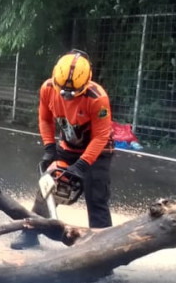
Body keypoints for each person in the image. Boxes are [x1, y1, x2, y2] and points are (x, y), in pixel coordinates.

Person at [10, 50, 115, 250]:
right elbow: (45, 119)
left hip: (98, 150)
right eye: (63, 92)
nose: (67, 97)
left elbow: (101, 135)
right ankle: (30, 233)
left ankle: (104, 249)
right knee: (47, 186)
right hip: (67, 145)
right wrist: (49, 149)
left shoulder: (97, 98)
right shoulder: (48, 88)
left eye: (73, 93)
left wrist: (82, 165)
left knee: (97, 197)